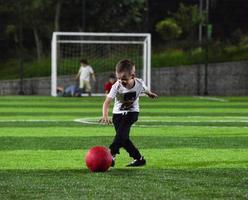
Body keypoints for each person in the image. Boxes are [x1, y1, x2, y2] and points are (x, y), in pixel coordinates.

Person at [99, 59, 158, 167]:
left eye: (124, 79)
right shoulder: (116, 86)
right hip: (117, 115)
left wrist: (150, 94)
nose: (121, 81)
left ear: (132, 76)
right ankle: (139, 159)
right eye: (119, 78)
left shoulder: (139, 83)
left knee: (121, 134)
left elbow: (145, 89)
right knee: (123, 138)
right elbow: (106, 102)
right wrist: (105, 115)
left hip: (132, 112)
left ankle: (111, 154)